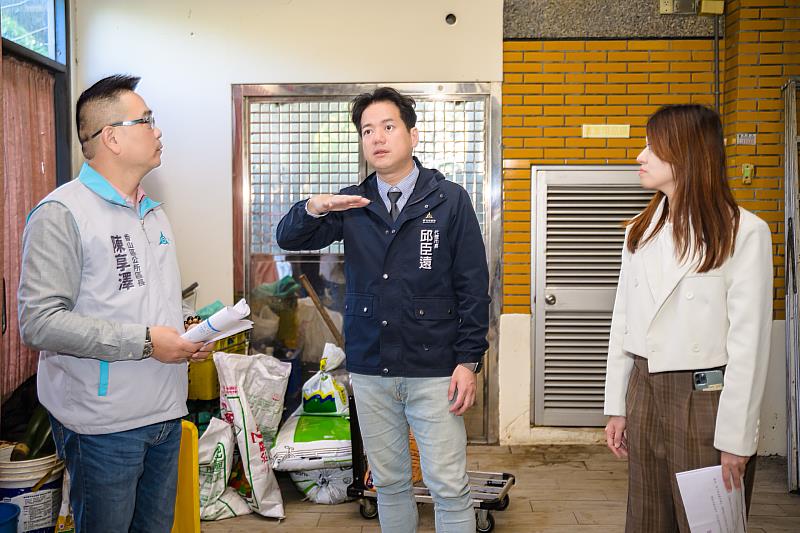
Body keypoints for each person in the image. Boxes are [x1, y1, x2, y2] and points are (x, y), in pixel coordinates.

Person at [277, 87, 490, 532]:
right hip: (372, 366)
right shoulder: (353, 203)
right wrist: (313, 207)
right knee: (389, 483)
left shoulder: (449, 200)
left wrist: (468, 360)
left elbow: (473, 287)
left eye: (388, 127)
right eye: (367, 130)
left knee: (448, 485)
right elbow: (289, 238)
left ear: (412, 135)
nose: (377, 138)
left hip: (435, 368)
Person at [18, 74, 209, 532]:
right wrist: (146, 342)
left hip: (165, 412)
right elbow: (39, 323)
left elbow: (140, 302)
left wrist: (187, 334)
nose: (158, 131)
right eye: (147, 120)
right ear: (112, 137)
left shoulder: (152, 210)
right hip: (105, 427)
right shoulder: (62, 214)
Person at [603, 104, 773, 531]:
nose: (640, 156)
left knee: (707, 522)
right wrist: (617, 407)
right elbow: (622, 322)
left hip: (705, 397)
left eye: (653, 147)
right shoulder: (639, 231)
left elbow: (748, 346)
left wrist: (737, 439)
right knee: (647, 518)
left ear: (687, 155)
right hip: (644, 390)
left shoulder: (743, 232)